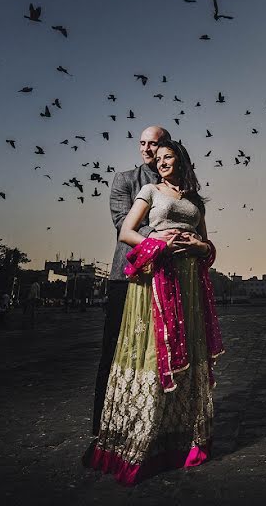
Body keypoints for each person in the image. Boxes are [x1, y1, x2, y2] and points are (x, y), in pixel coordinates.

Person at [84, 136, 223, 486]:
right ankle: (140, 437)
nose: (161, 162)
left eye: (168, 157)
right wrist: (158, 243)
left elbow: (207, 243)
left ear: (182, 159)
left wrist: (198, 244)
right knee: (153, 350)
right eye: (158, 158)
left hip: (190, 281)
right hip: (157, 277)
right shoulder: (149, 192)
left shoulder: (194, 200)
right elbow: (127, 232)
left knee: (186, 351)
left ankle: (181, 438)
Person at [92, 126, 175, 436]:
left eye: (153, 143)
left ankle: (151, 421)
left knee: (154, 352)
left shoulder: (174, 185)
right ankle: (102, 425)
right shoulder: (125, 180)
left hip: (165, 277)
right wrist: (166, 240)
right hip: (125, 277)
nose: (146, 149)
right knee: (113, 350)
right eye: (142, 143)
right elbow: (122, 224)